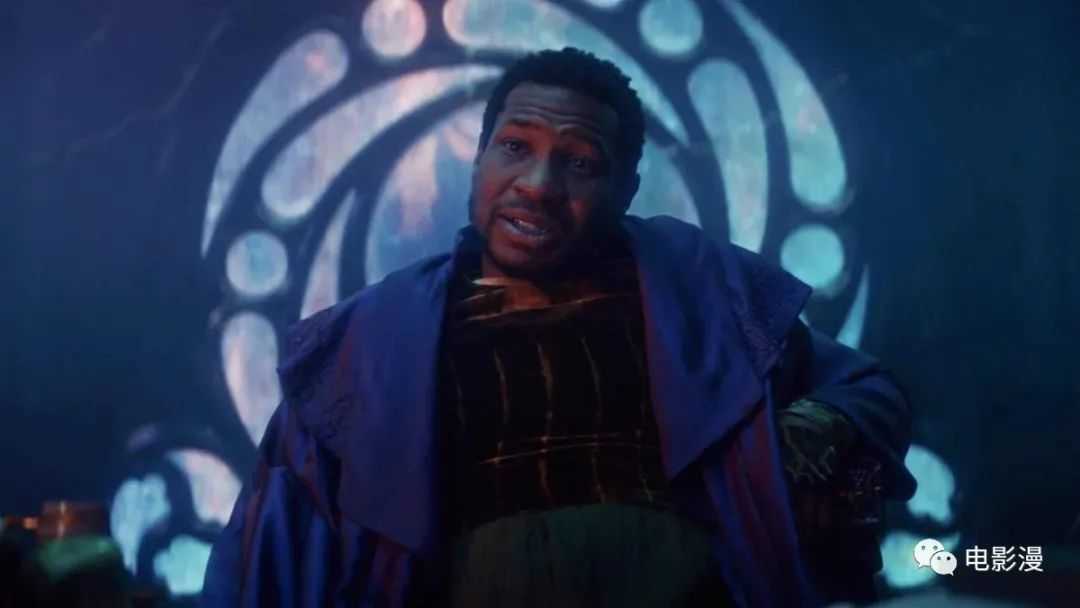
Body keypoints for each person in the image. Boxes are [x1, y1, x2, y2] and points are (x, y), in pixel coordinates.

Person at [201, 47, 916, 608]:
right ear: (479, 159)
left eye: (579, 163)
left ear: (625, 189)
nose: (539, 186)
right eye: (515, 147)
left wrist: (806, 439)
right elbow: (268, 551)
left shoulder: (699, 292)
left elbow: (867, 393)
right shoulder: (372, 342)